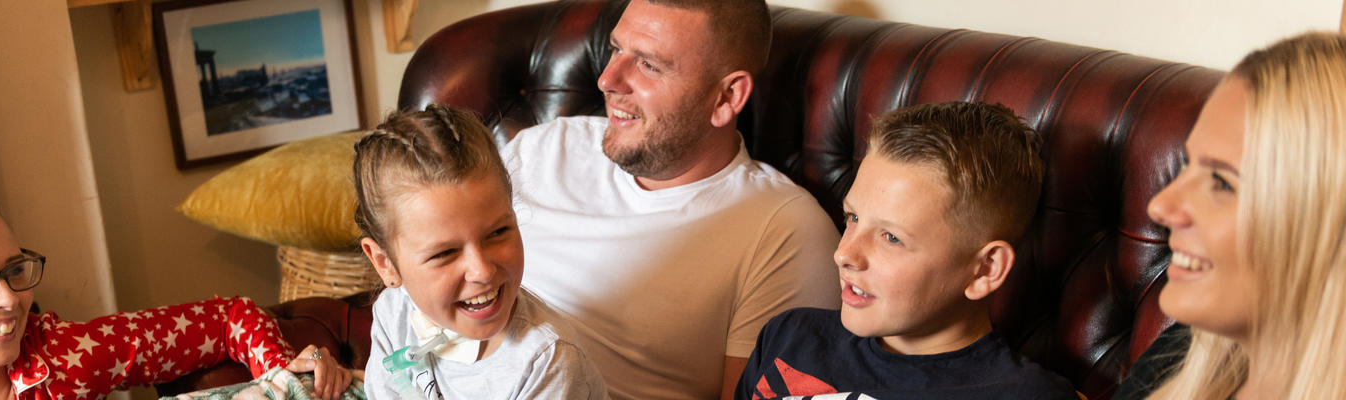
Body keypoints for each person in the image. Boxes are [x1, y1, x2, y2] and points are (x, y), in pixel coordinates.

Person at [501, 0, 841, 398]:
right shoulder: (546, 146)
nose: (608, 80)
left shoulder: (784, 230)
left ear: (727, 97)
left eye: (648, 64)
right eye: (616, 49)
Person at [0, 141, 352, 399]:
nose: (11, 300)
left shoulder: (60, 355)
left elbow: (226, 317)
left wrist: (284, 374)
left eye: (14, 269)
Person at [737, 102, 1077, 399]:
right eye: (853, 217)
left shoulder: (1024, 395)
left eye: (891, 237)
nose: (845, 254)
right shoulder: (790, 336)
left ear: (985, 270)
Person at [1131, 29, 1346, 400]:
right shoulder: (1163, 368)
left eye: (1222, 183)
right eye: (1186, 164)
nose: (1160, 206)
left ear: (1340, 231)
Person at [356, 104, 608, 399]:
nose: (483, 270)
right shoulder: (392, 312)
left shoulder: (545, 361)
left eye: (498, 233)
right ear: (386, 264)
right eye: (445, 253)